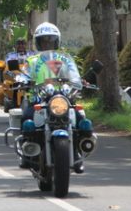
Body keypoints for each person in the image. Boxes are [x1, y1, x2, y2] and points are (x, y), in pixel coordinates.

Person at [20, 22, 86, 170]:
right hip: (38, 99)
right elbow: (24, 74)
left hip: (63, 99)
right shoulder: (32, 60)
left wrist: (79, 82)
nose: (47, 44)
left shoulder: (66, 59)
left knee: (81, 120)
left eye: (50, 40)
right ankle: (27, 153)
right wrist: (22, 80)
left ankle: (77, 152)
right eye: (44, 41)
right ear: (38, 43)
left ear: (57, 41)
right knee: (26, 118)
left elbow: (74, 75)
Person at [0, 37, 31, 107]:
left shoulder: (32, 54)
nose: (21, 46)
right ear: (16, 45)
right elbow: (5, 65)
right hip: (14, 76)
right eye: (19, 44)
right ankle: (10, 97)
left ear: (26, 45)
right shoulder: (10, 55)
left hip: (29, 74)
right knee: (3, 88)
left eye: (23, 44)